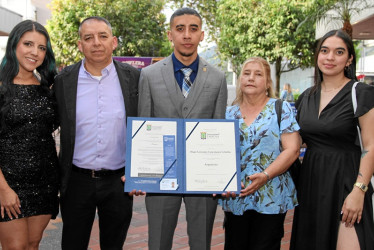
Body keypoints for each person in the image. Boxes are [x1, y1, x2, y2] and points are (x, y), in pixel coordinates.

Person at [138, 8, 228, 250]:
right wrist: (141, 172)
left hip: (203, 178)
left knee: (201, 243)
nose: (187, 35)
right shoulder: (148, 75)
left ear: (202, 35)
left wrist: (219, 175)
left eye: (193, 29)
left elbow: (218, 128)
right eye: (180, 29)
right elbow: (145, 125)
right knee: (158, 241)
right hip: (161, 175)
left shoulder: (218, 78)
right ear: (170, 34)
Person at [53, 16, 140, 250]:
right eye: (88, 38)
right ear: (80, 45)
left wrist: (142, 172)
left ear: (114, 42)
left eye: (102, 36)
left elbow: (146, 126)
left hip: (118, 182)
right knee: (73, 244)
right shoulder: (63, 81)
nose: (96, 43)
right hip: (76, 181)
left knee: (114, 245)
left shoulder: (134, 79)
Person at [290, 29, 374, 250]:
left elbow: (371, 145)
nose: (330, 57)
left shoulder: (360, 93)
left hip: (347, 181)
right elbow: (298, 142)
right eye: (325, 51)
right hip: (312, 184)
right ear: (317, 55)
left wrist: (359, 191)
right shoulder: (306, 97)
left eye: (339, 52)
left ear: (349, 59)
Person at [218, 57, 300, 250]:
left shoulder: (282, 109)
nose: (251, 78)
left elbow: (293, 149)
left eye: (258, 74)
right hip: (236, 196)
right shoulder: (227, 113)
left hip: (271, 196)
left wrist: (265, 175)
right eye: (246, 73)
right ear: (239, 79)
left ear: (268, 82)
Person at [0, 20, 59, 249]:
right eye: (28, 44)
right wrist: (3, 189)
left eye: (42, 47)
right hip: (8, 183)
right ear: (14, 45)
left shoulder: (49, 88)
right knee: (16, 247)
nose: (35, 52)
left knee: (33, 244)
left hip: (45, 181)